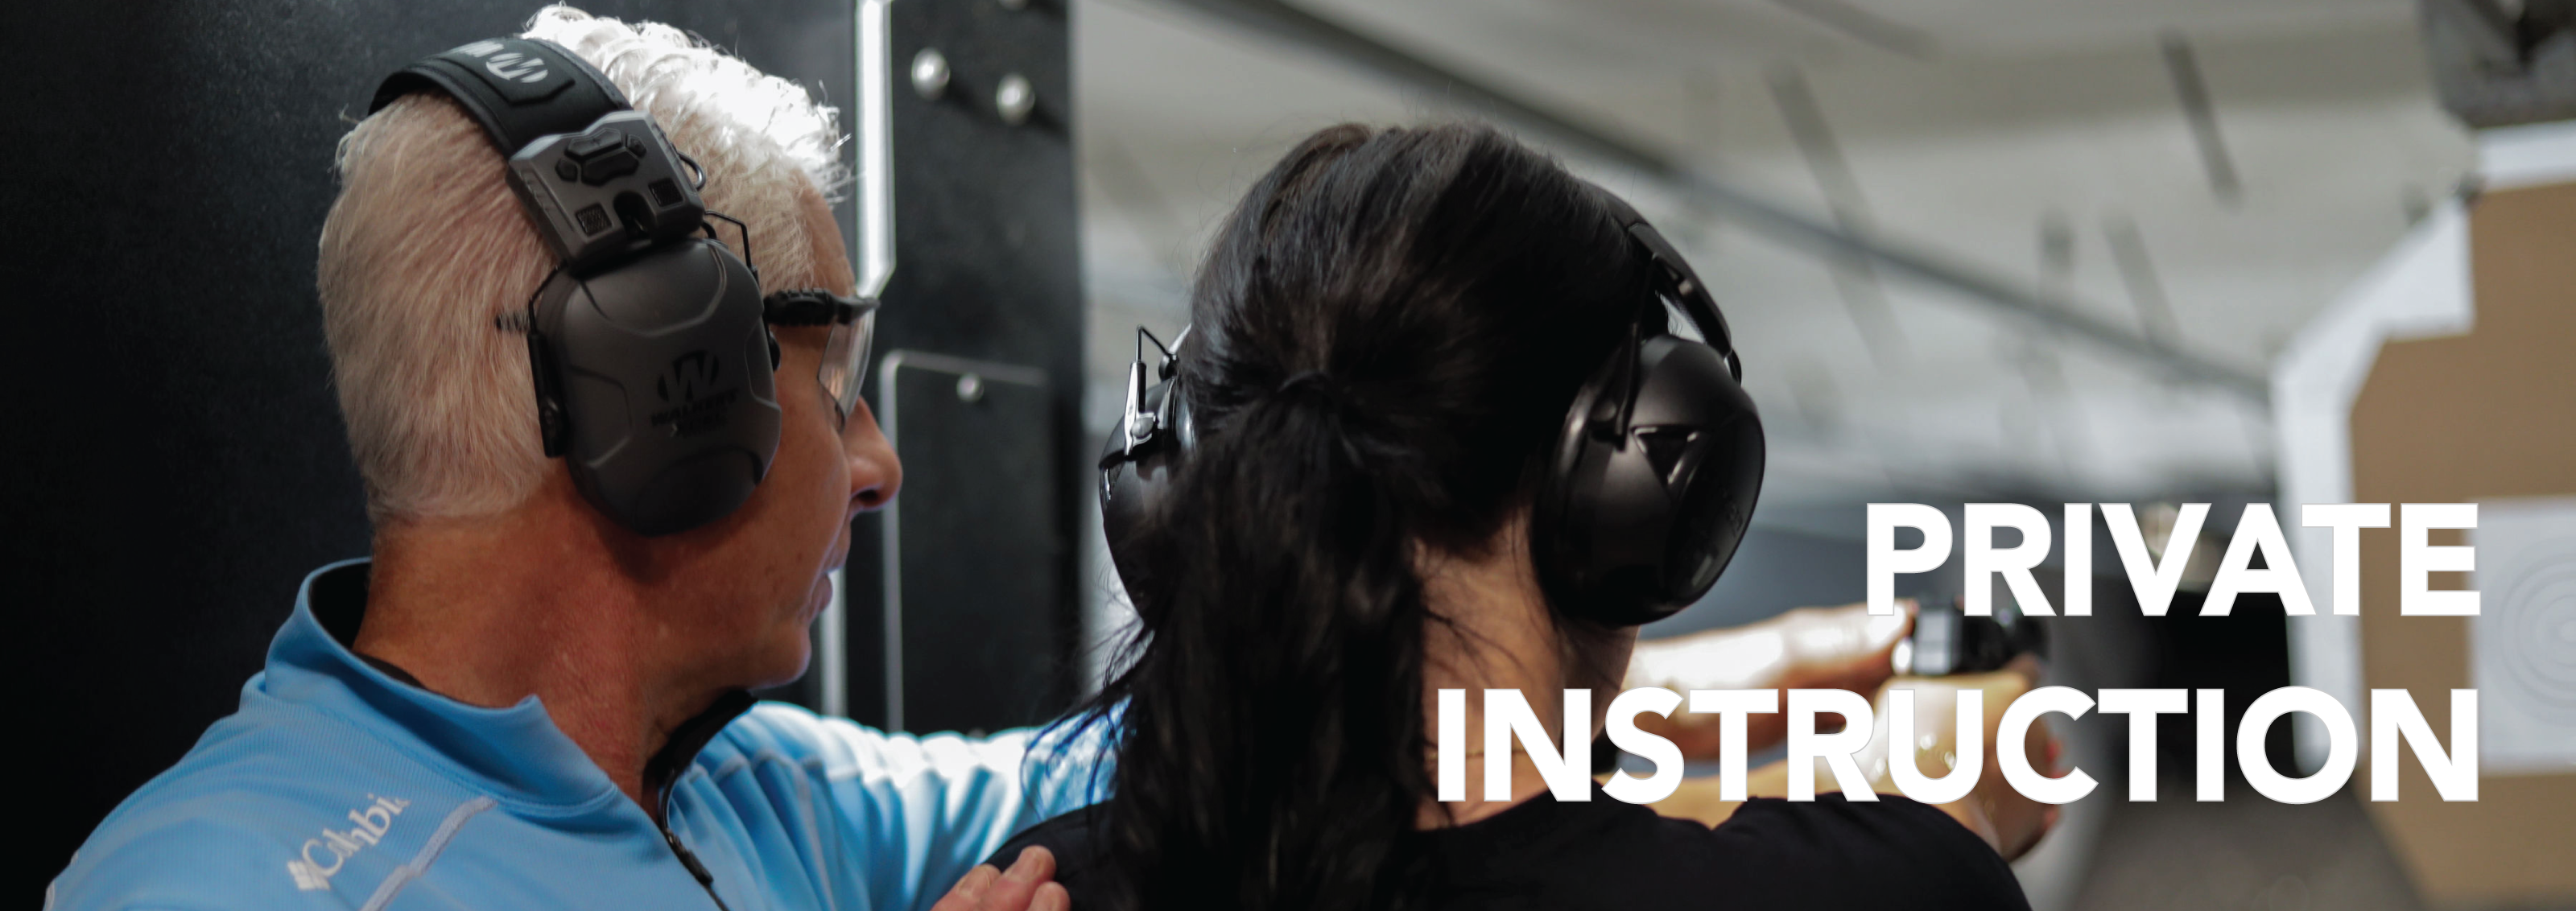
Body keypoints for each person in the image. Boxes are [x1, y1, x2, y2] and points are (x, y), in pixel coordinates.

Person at [43, 11, 1922, 911]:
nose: (878, 462)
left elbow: (1285, 679)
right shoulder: (230, 886)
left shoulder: (752, 790)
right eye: (834, 379)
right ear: (654, 394)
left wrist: (1725, 677)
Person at [995, 122, 2057, 911]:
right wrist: (1945, 788)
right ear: (1644, 493)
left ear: (1167, 504)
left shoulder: (1043, 888)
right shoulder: (1892, 892)